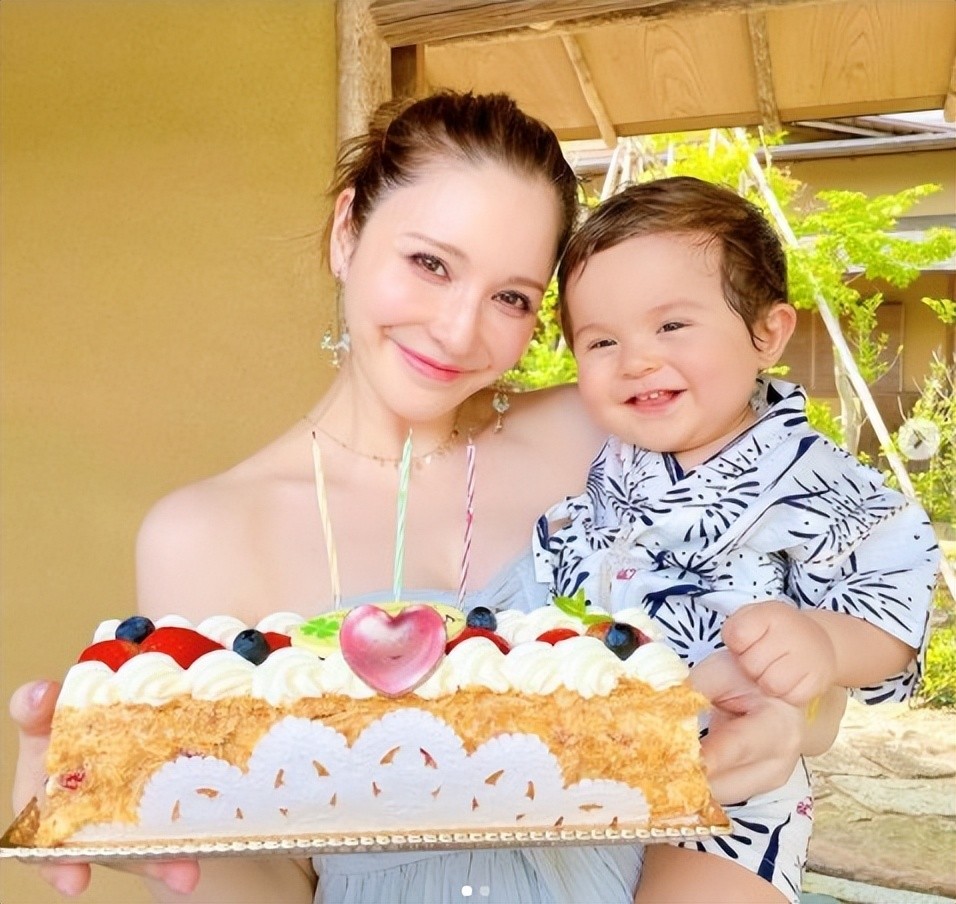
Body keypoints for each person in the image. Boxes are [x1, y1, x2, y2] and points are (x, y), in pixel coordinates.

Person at [10, 95, 847, 904]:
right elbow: (267, 868)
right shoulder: (204, 535)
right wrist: (158, 839)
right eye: (430, 264)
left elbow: (808, 640)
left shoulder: (606, 437)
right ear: (347, 231)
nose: (457, 330)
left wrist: (790, 718)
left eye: (511, 297)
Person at [533, 175, 940, 903]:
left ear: (767, 333)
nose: (635, 359)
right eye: (601, 340)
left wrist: (823, 642)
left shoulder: (810, 474)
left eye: (671, 326)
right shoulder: (601, 458)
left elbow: (894, 588)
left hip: (733, 790)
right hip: (588, 765)